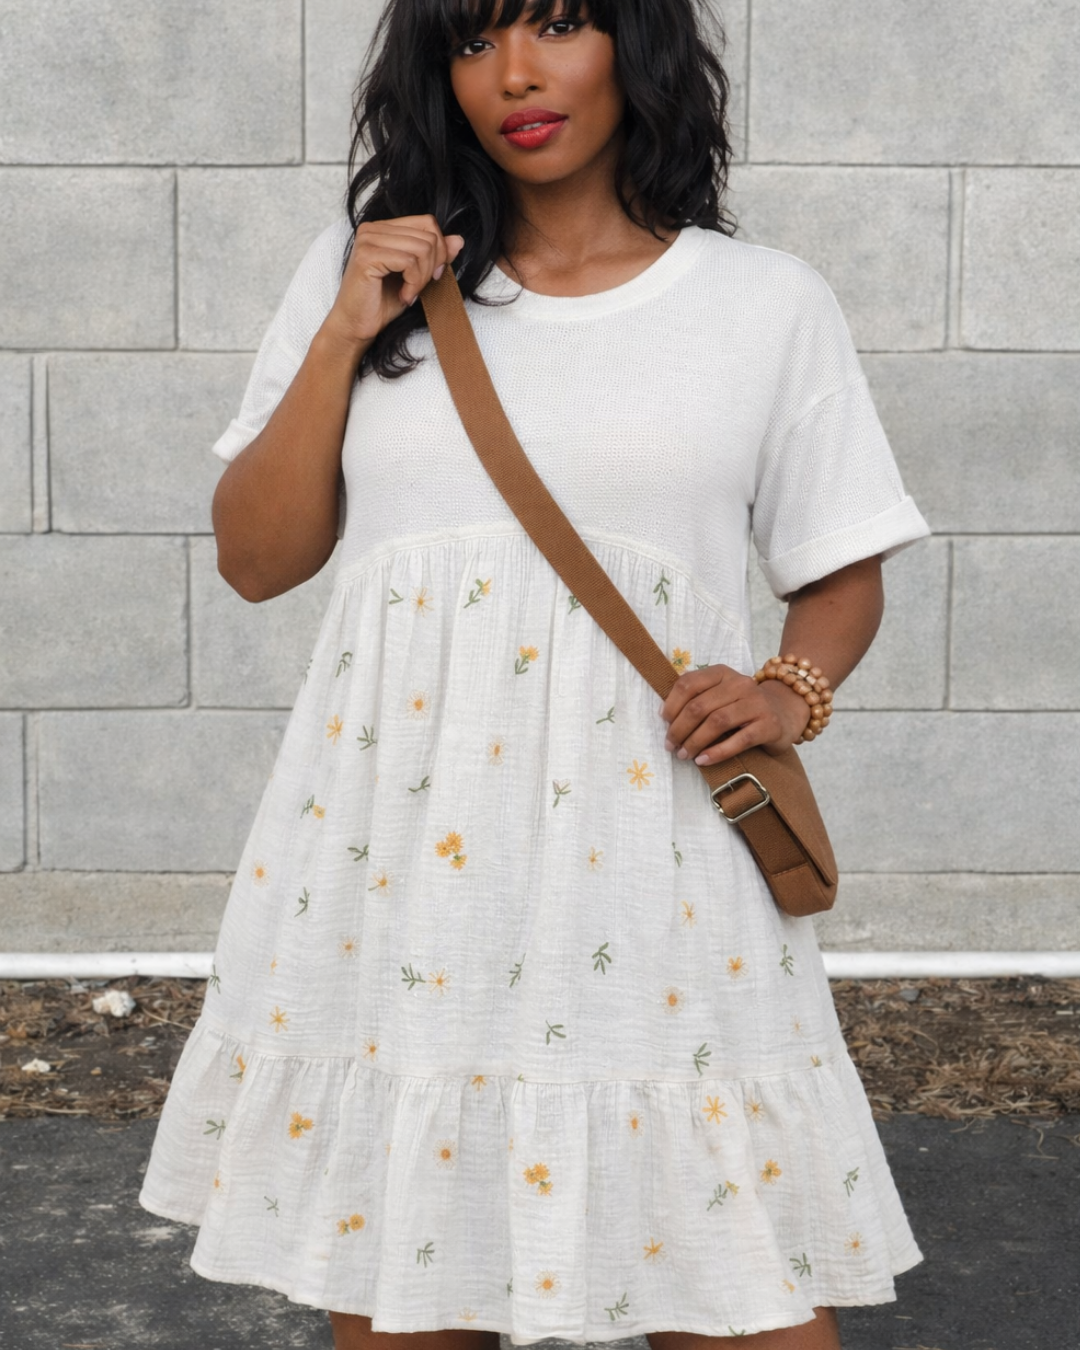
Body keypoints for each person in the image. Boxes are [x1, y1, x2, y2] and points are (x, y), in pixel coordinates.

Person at [139, 1, 930, 1346]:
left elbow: (841, 561)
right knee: (410, 1292)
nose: (515, 74)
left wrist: (787, 688)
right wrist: (341, 331)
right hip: (401, 862)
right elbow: (258, 560)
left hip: (657, 840)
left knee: (734, 1283)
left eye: (560, 24)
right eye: (471, 40)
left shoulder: (763, 303)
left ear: (640, 47)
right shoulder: (365, 276)